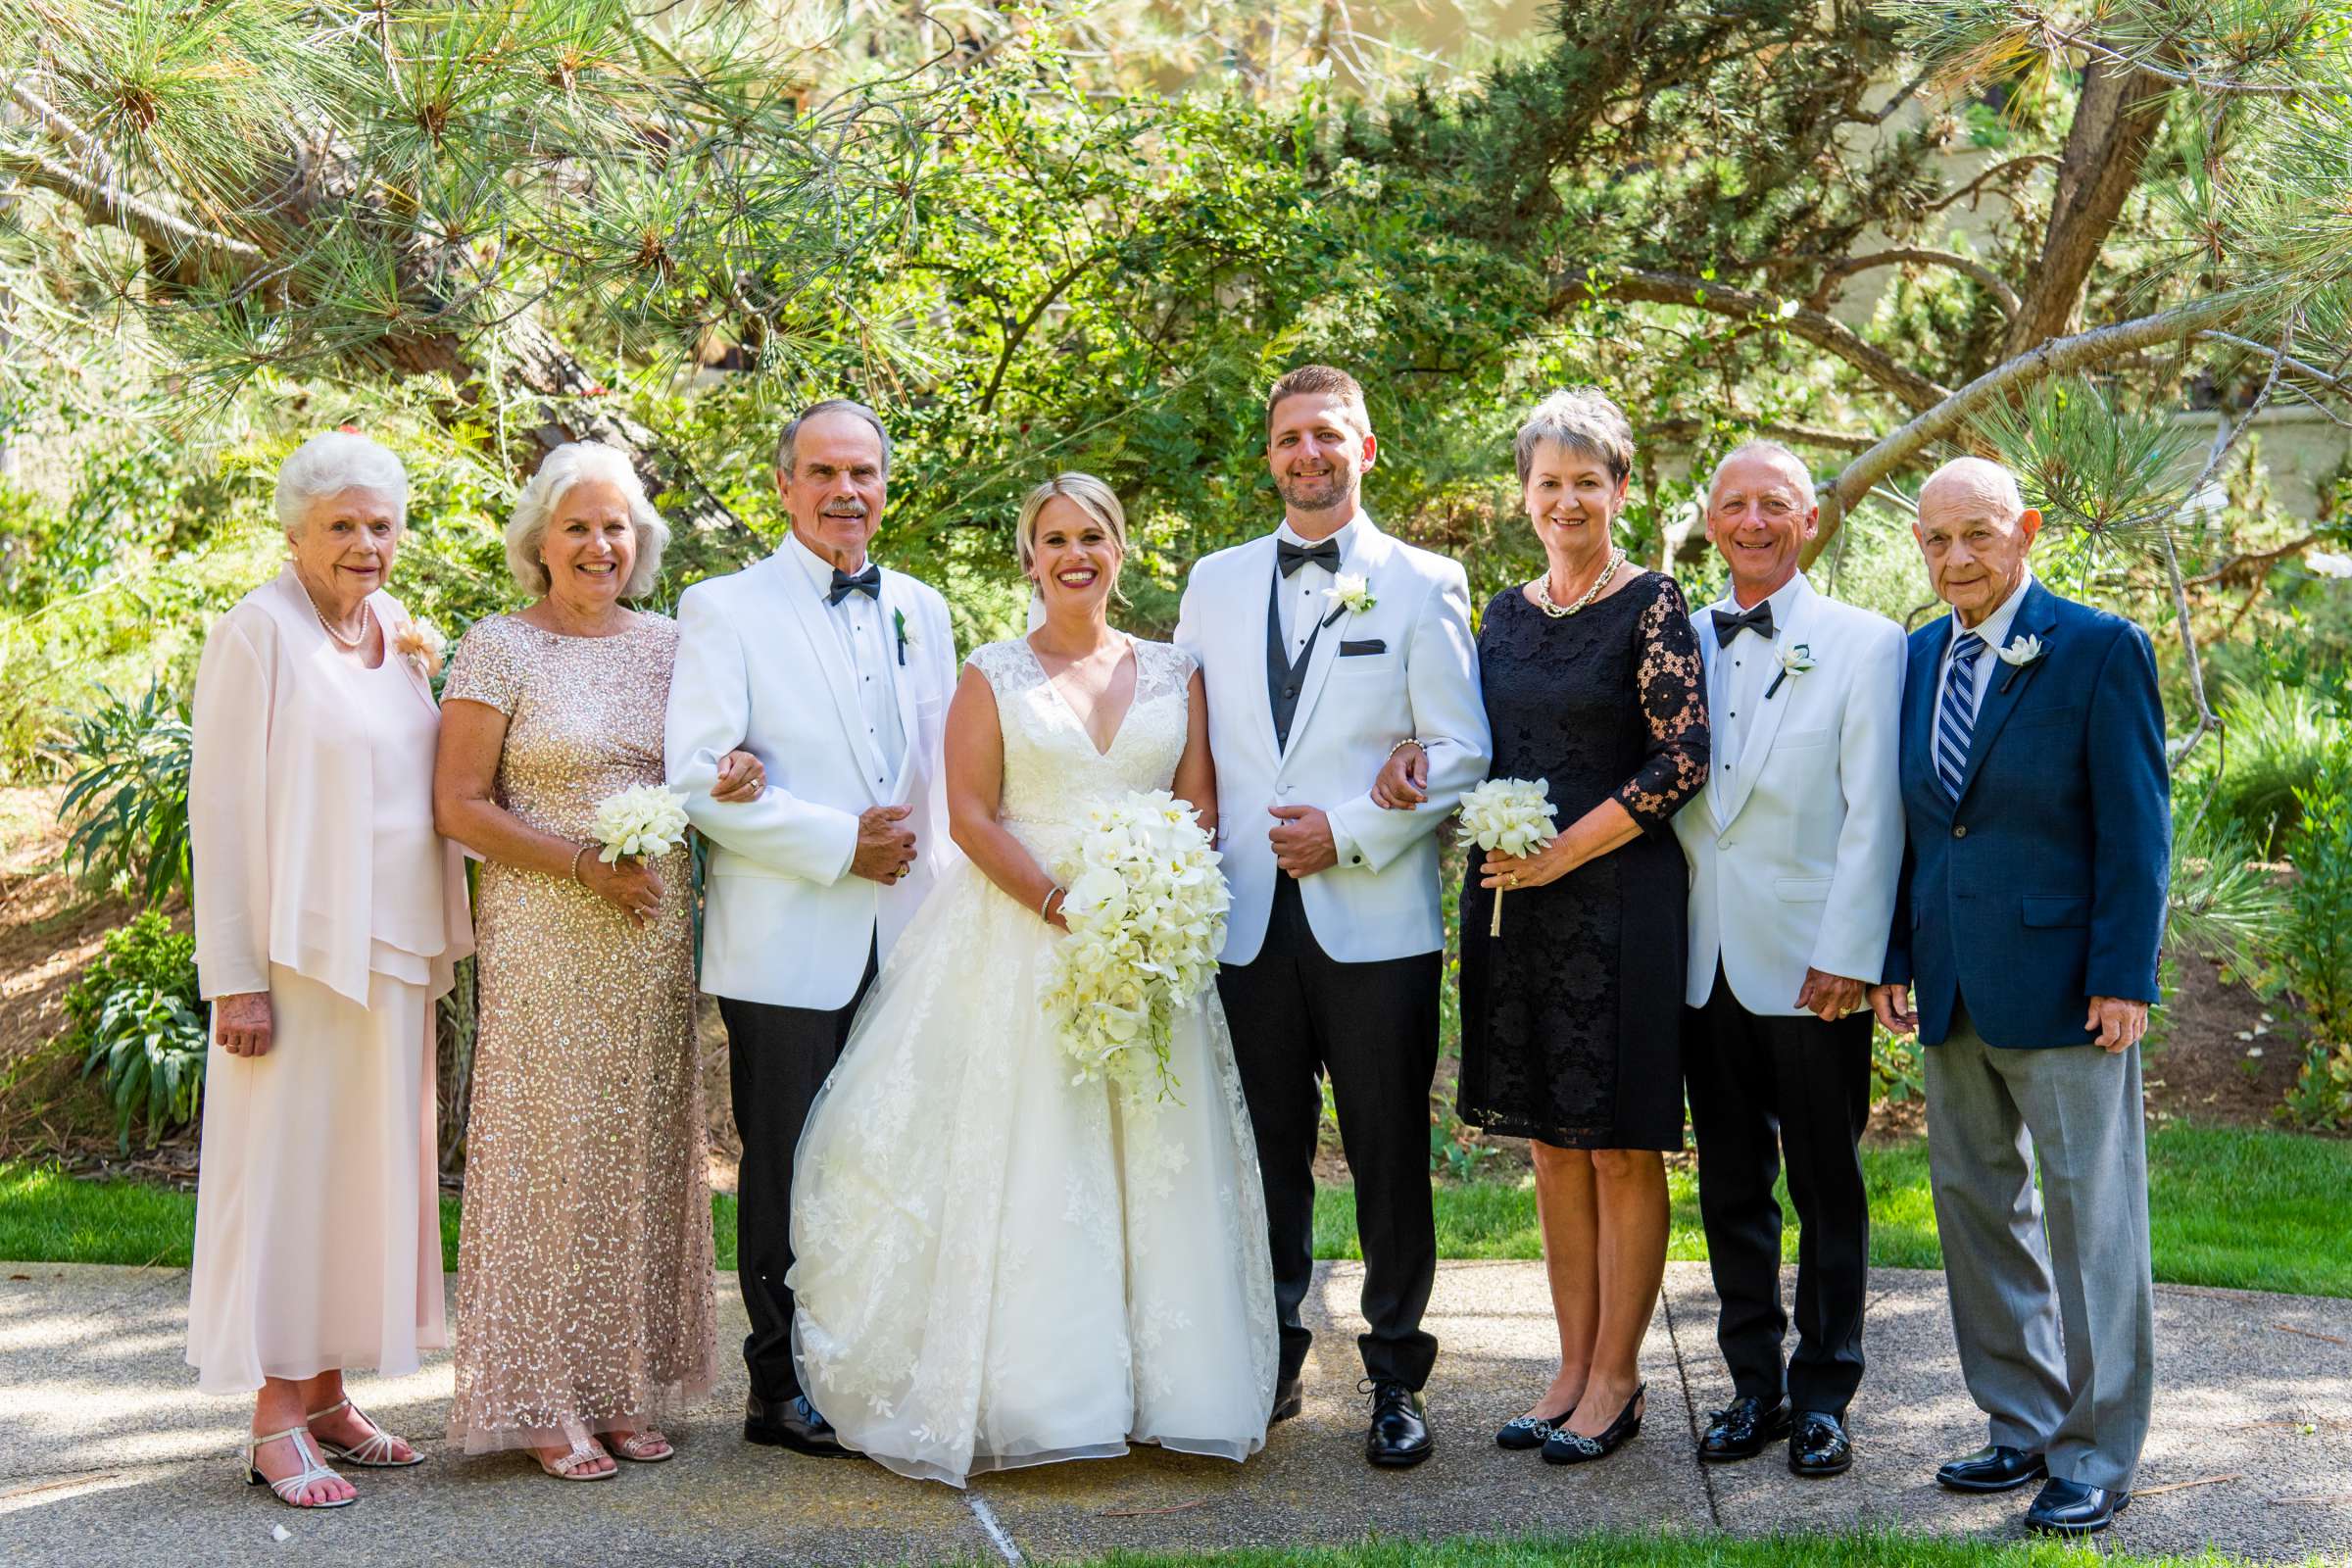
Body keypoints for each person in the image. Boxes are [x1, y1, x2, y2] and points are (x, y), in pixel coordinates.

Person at [788, 473, 1278, 1486]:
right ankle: (1047, 1392)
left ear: (1120, 547)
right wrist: (1065, 906)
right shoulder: (992, 672)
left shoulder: (1172, 668)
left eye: (1092, 535)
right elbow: (969, 815)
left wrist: (1153, 900)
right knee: (1040, 1154)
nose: (1074, 554)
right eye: (1054, 537)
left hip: (1148, 945)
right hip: (1023, 936)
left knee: (1156, 1154)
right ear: (1029, 556)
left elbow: (1198, 804)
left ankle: (1171, 1389)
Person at [1382, 387, 1706, 1465]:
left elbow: (1682, 760)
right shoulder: (1505, 615)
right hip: (1513, 909)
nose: (1566, 500)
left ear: (1620, 489)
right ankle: (1567, 1369)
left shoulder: (1654, 603)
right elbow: (1467, 738)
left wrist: (1565, 848)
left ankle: (1619, 1379)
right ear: (1523, 495)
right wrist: (1411, 761)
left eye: (1587, 481)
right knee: (1552, 1149)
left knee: (1617, 1147)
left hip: (1617, 898)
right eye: (1547, 482)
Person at [1176, 365, 1490, 1469]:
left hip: (1374, 920)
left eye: (1327, 434)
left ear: (1366, 448)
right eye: (1288, 438)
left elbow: (1459, 751)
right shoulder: (1210, 583)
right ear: (1269, 456)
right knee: (1261, 1151)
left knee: (1389, 1149)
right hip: (1246, 922)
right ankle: (1269, 1360)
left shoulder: (1424, 580)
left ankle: (1398, 1373)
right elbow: (1190, 738)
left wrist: (1348, 828)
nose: (1307, 453)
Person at [434, 443, 764, 1479]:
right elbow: (460, 805)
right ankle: (539, 1395)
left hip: (651, 932)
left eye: (616, 526)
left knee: (641, 1149)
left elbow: (710, 762)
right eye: (577, 525)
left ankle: (621, 1382)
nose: (598, 544)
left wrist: (742, 769)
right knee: (551, 1153)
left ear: (642, 543)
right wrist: (583, 864)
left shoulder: (672, 645)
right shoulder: (499, 646)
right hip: (546, 923)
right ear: (540, 539)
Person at [1868, 457, 2167, 1538]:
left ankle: (2097, 1451)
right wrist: (1896, 953)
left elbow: (2139, 828)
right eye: (1938, 540)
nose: (1957, 560)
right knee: (1976, 1210)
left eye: (1978, 536)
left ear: (2026, 530)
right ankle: (2022, 1422)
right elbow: (1912, 829)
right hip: (1948, 984)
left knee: (2094, 1223)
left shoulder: (2099, 648)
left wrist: (2125, 972)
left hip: (2068, 992)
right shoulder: (1909, 660)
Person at [662, 399, 957, 1456]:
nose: (846, 491)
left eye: (864, 472)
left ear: (885, 484)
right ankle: (777, 1383)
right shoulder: (724, 606)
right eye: (824, 472)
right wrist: (842, 845)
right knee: (783, 1159)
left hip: (909, 930)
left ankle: (871, 1360)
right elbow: (699, 776)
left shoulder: (922, 605)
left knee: (890, 1153)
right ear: (785, 485)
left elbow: (941, 772)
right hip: (788, 935)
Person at [186, 430, 474, 1508]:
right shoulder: (256, 633)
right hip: (298, 963)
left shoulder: (393, 630)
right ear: (296, 531)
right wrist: (235, 976)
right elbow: (218, 812)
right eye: (342, 525)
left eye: (380, 525)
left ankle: (327, 1392)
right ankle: (272, 1418)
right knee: (292, 1180)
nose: (365, 543)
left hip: (391, 954)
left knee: (363, 1173)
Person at [1671, 442, 1904, 1479]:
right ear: (1710, 520)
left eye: (1775, 504)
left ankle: (1825, 1393)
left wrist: (1849, 953)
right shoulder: (1675, 636)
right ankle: (1752, 1386)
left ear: (1809, 520)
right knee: (1730, 1183)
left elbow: (1875, 814)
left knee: (1824, 1180)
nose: (1753, 521)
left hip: (1815, 960)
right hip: (1699, 955)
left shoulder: (1865, 642)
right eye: (1734, 505)